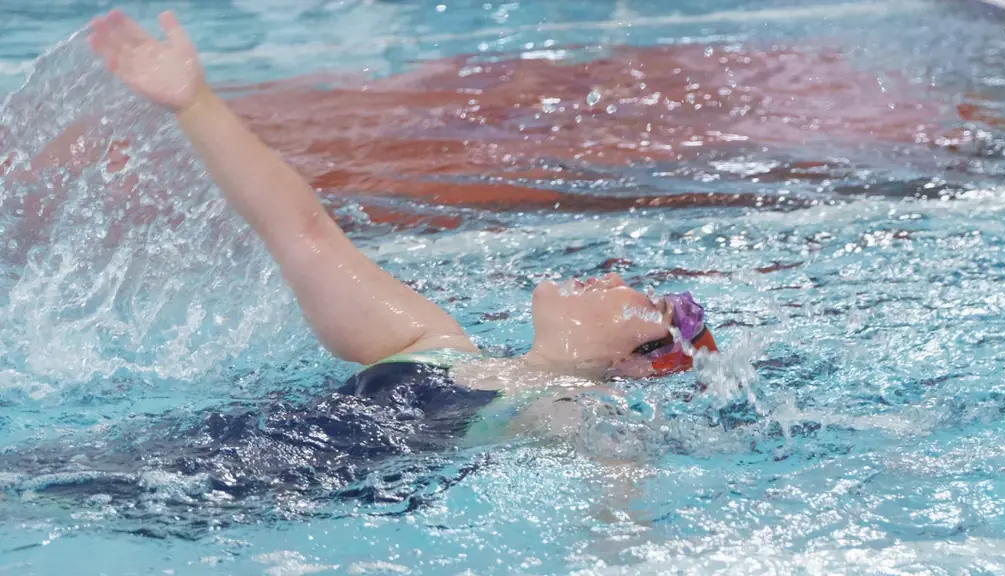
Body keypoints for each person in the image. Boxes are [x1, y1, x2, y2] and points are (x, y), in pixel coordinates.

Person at [83, 8, 719, 441]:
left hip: (223, 511)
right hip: (172, 458)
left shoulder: (564, 414)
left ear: (639, 363)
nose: (613, 278)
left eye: (650, 301)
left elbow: (619, 515)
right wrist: (195, 103)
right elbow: (302, 231)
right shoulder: (428, 339)